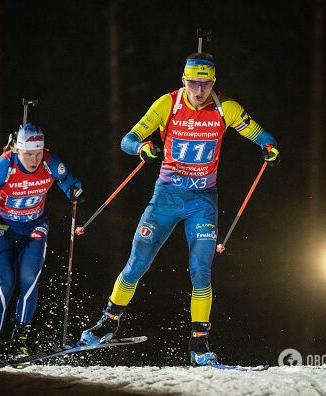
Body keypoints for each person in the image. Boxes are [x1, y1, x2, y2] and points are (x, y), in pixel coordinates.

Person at [77, 52, 280, 366]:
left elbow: (260, 134)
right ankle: (109, 322)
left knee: (201, 271)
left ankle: (199, 343)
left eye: (206, 83)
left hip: (202, 202)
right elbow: (127, 140)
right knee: (137, 263)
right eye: (193, 83)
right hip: (166, 199)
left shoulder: (225, 107)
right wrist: (142, 147)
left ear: (213, 82)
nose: (199, 90)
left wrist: (268, 145)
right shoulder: (167, 104)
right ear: (183, 80)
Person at [0, 123, 84, 369]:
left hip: (34, 226)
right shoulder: (4, 165)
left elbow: (69, 182)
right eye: (28, 154)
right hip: (4, 226)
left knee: (29, 279)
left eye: (38, 154)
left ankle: (21, 343)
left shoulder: (50, 162)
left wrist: (75, 191)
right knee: (4, 284)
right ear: (18, 150)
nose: (34, 160)